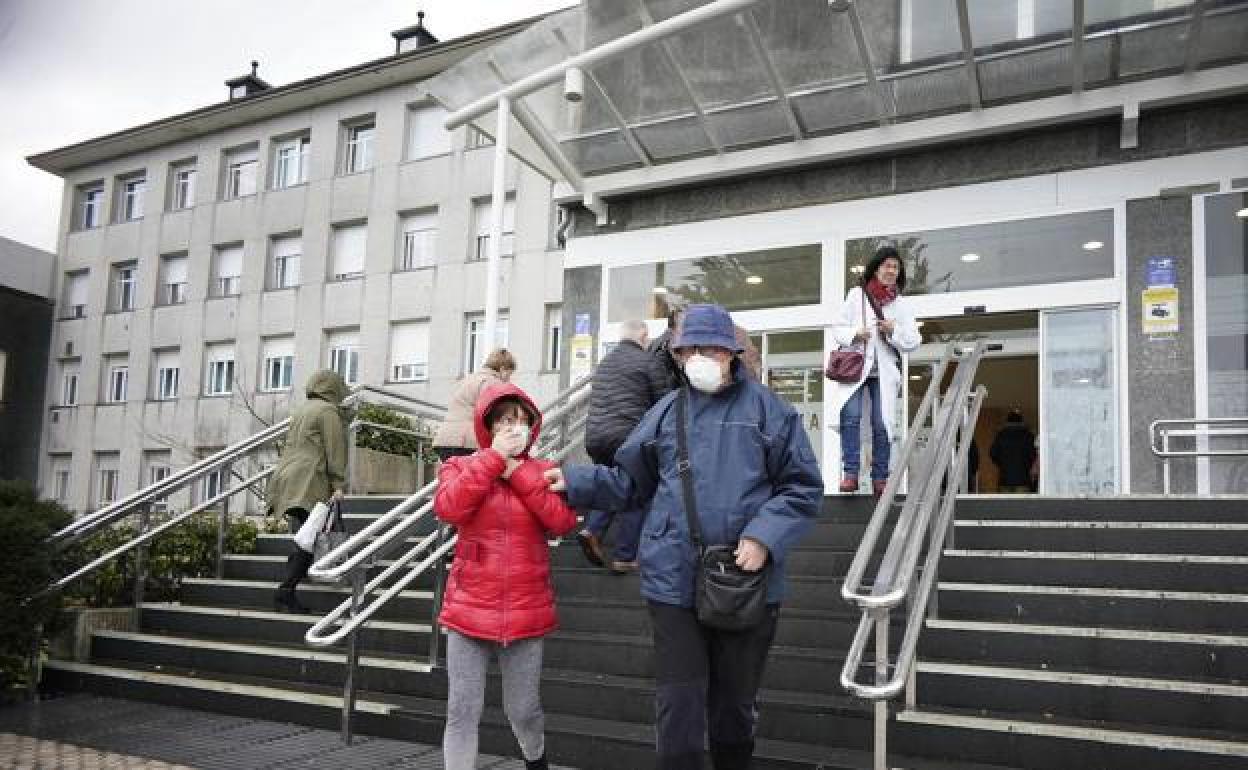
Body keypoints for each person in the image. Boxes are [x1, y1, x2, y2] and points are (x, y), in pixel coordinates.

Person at [545, 303, 822, 770]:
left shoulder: (769, 410)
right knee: (679, 717)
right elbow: (629, 482)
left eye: (707, 348)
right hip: (673, 581)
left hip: (745, 583)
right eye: (686, 350)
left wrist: (764, 536)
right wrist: (574, 481)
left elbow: (802, 487)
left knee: (734, 715)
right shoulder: (664, 412)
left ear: (730, 352)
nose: (696, 358)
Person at [434, 383, 578, 770]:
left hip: (526, 610)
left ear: (532, 426)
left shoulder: (544, 471)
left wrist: (519, 474)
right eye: (503, 421)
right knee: (461, 711)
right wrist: (494, 459)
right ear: (488, 427)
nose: (512, 428)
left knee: (524, 711)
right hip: (468, 609)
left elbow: (562, 522)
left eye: (519, 421)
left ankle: (536, 759)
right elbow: (448, 509)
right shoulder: (460, 466)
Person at [577, 319, 671, 573]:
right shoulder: (647, 361)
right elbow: (663, 402)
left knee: (609, 483)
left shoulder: (604, 363)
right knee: (635, 490)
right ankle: (625, 556)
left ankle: (592, 529)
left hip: (596, 436)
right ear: (643, 336)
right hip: (625, 436)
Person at [830, 246, 922, 496]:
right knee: (850, 417)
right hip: (855, 369)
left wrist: (893, 331)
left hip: (883, 374)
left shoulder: (901, 305)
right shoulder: (857, 295)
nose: (891, 271)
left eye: (896, 267)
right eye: (887, 266)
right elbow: (838, 328)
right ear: (876, 268)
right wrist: (855, 334)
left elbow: (914, 341)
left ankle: (880, 477)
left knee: (882, 424)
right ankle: (850, 473)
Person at [265, 369, 350, 613]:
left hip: (288, 477)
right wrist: (338, 484)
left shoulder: (303, 409)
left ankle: (291, 584)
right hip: (310, 480)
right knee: (309, 538)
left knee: (306, 534)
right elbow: (335, 450)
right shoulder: (328, 411)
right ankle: (286, 591)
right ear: (333, 388)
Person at [432, 348, 516, 463]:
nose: (509, 379)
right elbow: (493, 413)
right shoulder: (492, 382)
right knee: (473, 474)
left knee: (453, 473)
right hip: (466, 443)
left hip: (445, 440)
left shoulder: (468, 379)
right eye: (509, 374)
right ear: (502, 369)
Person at [991, 410, 1037, 494]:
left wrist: (1003, 464)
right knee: (1022, 502)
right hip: (1023, 480)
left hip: (1005, 479)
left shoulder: (1001, 435)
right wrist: (1027, 465)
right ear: (1021, 421)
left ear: (1007, 421)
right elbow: (1033, 455)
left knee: (1005, 502)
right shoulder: (1028, 436)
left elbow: (993, 454)